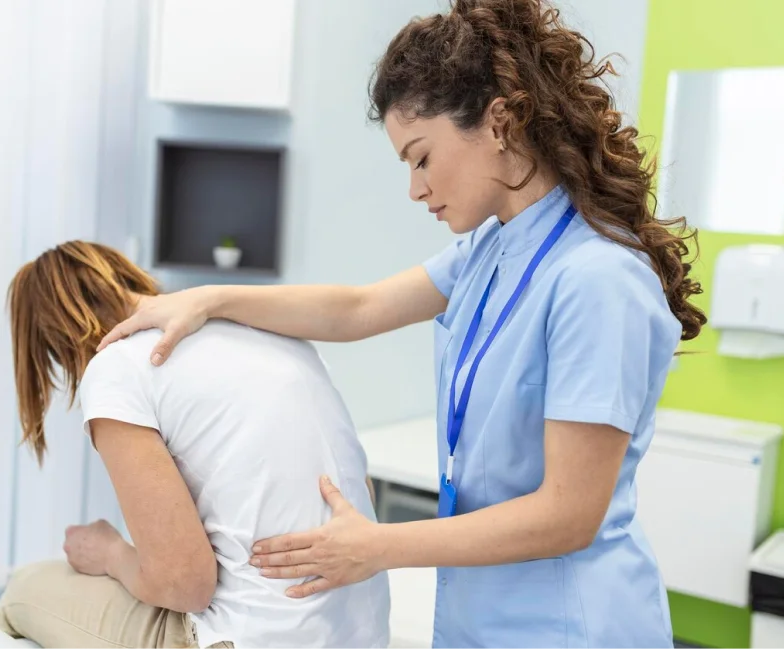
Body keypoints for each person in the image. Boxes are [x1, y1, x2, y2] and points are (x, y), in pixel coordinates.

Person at [96, 0, 707, 647]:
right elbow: (357, 309)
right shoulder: (490, 249)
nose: (416, 189)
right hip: (478, 620)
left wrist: (376, 546)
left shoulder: (599, 278)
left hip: (571, 626)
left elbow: (569, 513)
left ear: (499, 123)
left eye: (422, 158)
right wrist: (210, 300)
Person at [0, 241, 390, 649]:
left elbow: (184, 585)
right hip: (366, 635)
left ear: (55, 337)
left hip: (251, 638)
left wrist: (109, 552)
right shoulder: (273, 328)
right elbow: (361, 489)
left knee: (23, 589)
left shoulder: (117, 365)